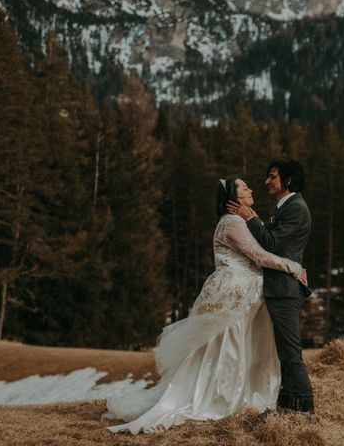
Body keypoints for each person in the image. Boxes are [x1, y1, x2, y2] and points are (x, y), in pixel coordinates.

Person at [104, 176, 307, 434]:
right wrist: (293, 266)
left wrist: (253, 216)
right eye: (245, 188)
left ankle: (232, 391)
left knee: (229, 345)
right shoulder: (232, 223)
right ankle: (220, 396)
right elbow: (258, 255)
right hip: (235, 292)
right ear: (234, 198)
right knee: (228, 346)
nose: (251, 189)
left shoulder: (235, 220)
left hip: (237, 289)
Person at [227, 159, 314, 413]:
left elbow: (271, 242)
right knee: (282, 353)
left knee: (290, 352)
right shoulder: (286, 207)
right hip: (278, 287)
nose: (266, 181)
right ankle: (288, 404)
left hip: (285, 290)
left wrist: (250, 216)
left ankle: (305, 408)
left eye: (272, 176)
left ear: (287, 181)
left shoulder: (296, 208)